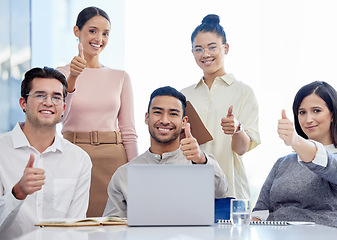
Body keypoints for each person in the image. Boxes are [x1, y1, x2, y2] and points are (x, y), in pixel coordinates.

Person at [56, 6, 138, 217]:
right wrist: (73, 77)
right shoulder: (59, 74)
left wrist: (137, 171)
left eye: (105, 33)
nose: (99, 38)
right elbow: (58, 117)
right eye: (92, 31)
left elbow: (128, 130)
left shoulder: (120, 77)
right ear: (77, 31)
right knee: (75, 222)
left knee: (114, 225)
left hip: (113, 157)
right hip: (73, 153)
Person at [103, 86, 228, 217]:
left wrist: (201, 160)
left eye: (173, 114)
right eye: (157, 112)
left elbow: (221, 192)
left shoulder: (200, 163)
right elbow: (112, 225)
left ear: (184, 122)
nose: (164, 120)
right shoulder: (124, 174)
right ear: (147, 118)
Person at [0, 67, 92, 239]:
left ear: (63, 107)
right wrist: (17, 194)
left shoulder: (79, 160)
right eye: (40, 95)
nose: (48, 102)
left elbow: (77, 228)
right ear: (23, 103)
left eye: (56, 97)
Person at [181, 14, 260, 199]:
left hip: (230, 191)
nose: (205, 54)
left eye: (212, 47)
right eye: (198, 49)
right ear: (192, 52)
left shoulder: (243, 92)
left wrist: (236, 129)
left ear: (226, 48)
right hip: (191, 189)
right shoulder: (183, 95)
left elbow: (241, 149)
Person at [252, 81, 337, 230]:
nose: (308, 119)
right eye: (302, 112)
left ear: (333, 115)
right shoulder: (282, 163)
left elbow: (325, 162)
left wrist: (295, 141)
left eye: (316, 110)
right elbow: (261, 213)